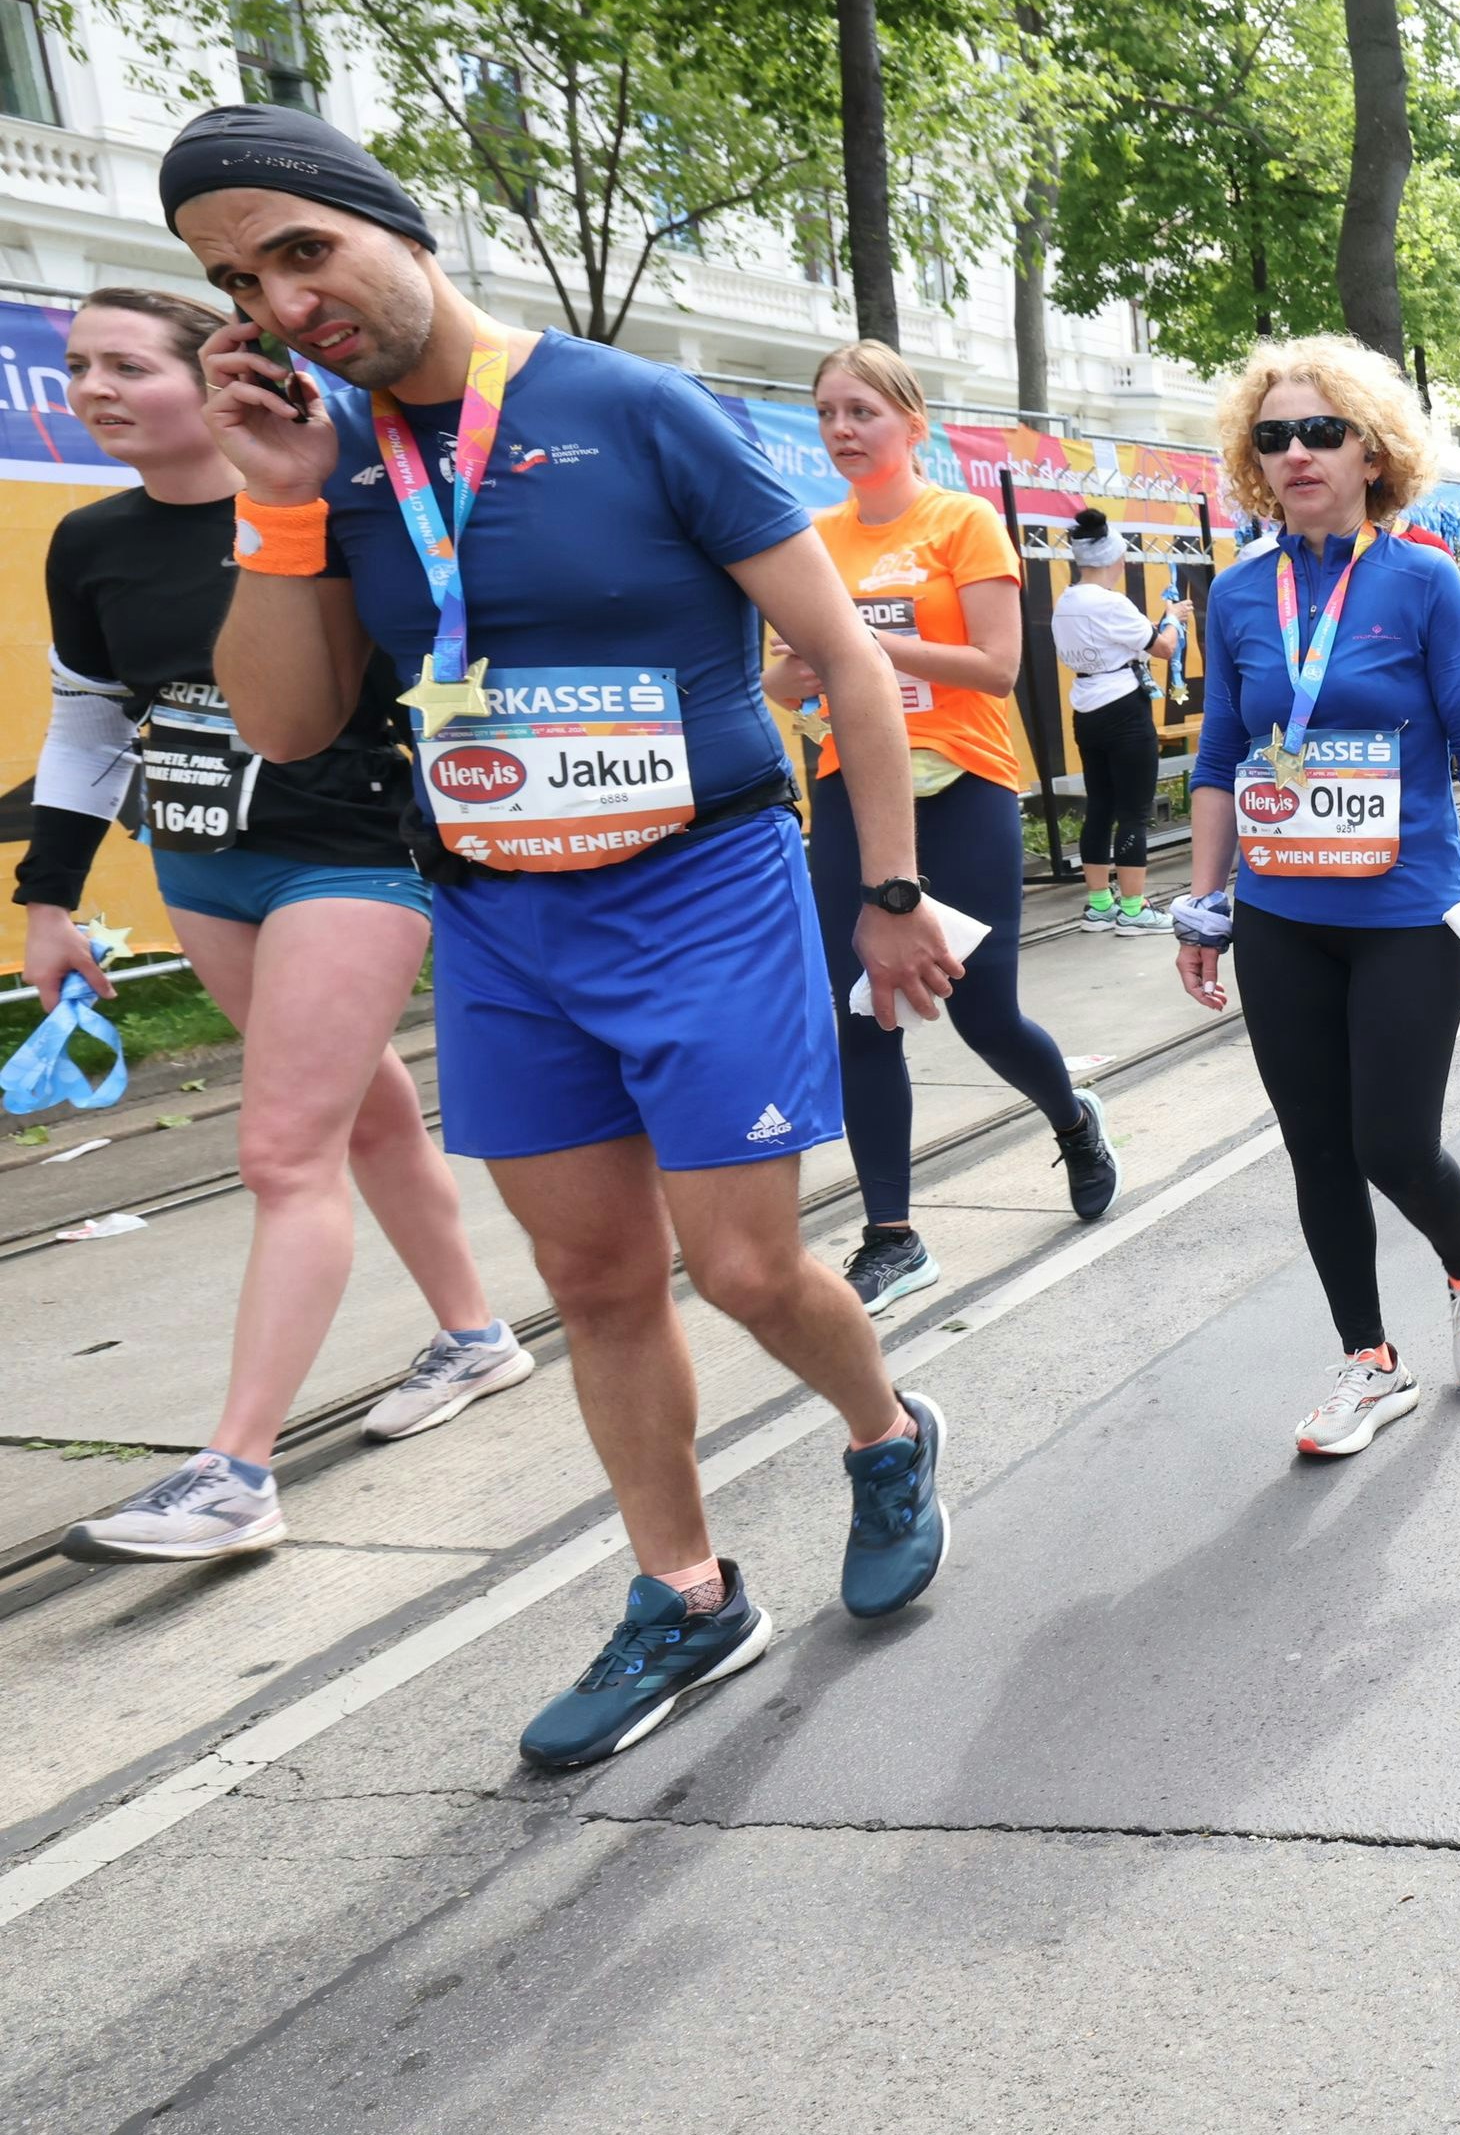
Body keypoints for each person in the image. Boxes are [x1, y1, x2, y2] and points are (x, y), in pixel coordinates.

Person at [173, 103, 962, 1768]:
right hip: (497, 914)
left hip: (699, 885)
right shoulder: (335, 466)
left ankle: (884, 1434)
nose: (285, 303)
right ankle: (684, 1594)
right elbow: (294, 726)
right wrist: (276, 508)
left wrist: (890, 895)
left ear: (395, 227)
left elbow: (853, 659)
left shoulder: (630, 408)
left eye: (302, 250)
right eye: (241, 283)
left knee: (742, 1265)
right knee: (594, 1276)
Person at [34, 287, 531, 1567]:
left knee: (279, 1150)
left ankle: (234, 1473)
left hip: (350, 856)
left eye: (128, 365)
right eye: (77, 366)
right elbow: (91, 730)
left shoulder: (340, 498)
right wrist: (48, 900)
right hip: (205, 867)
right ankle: (477, 1338)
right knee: (359, 1114)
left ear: (218, 379)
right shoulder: (89, 542)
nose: (92, 388)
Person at [1173, 335, 1460, 1458]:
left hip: (1403, 917)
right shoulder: (1238, 594)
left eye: (1319, 431)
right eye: (1272, 437)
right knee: (1316, 1149)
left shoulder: (1424, 580)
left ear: (1371, 453)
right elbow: (1220, 754)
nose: (1295, 453)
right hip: (1282, 917)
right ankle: (1367, 1362)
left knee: (1391, 1143)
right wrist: (1203, 903)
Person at [784, 342, 1121, 1316]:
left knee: (982, 1013)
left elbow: (996, 667)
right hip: (850, 789)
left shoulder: (963, 521)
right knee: (860, 1009)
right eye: (827, 415)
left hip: (963, 786)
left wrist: (857, 646)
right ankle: (891, 1232)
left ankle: (1071, 1120)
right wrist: (809, 671)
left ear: (912, 424)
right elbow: (775, 676)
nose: (842, 431)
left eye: (862, 413)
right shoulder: (811, 539)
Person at [1052, 506, 1180, 933]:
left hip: (1085, 706)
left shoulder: (1065, 602)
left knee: (1100, 807)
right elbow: (1162, 648)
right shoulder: (1112, 604)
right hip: (1124, 707)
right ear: (1116, 560)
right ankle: (1133, 908)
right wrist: (1174, 622)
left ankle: (1099, 904)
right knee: (1134, 811)